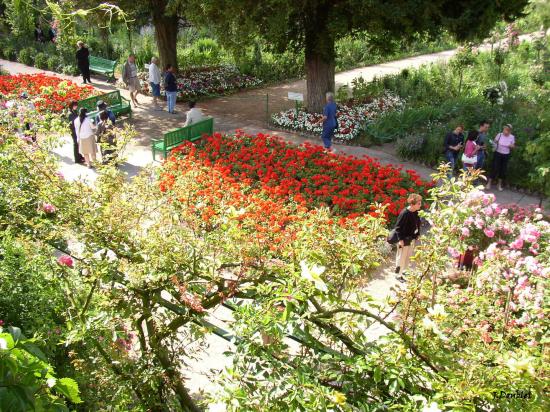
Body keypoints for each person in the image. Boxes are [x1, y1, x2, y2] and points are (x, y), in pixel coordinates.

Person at [392, 193, 422, 282]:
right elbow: (397, 228)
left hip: (410, 239)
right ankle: (397, 274)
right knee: (400, 258)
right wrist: (400, 240)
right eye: (419, 204)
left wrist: (417, 235)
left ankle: (403, 271)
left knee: (407, 257)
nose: (420, 205)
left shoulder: (415, 212)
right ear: (413, 204)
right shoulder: (404, 213)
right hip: (403, 240)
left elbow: (417, 224)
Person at [486, 124, 515, 191]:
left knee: (503, 170)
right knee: (494, 168)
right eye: (505, 129)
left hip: (506, 154)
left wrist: (511, 146)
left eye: (507, 130)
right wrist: (494, 144)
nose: (506, 131)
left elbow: (513, 146)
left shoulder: (512, 137)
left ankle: (499, 184)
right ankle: (489, 183)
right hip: (497, 153)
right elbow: (494, 142)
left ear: (510, 131)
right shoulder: (499, 135)